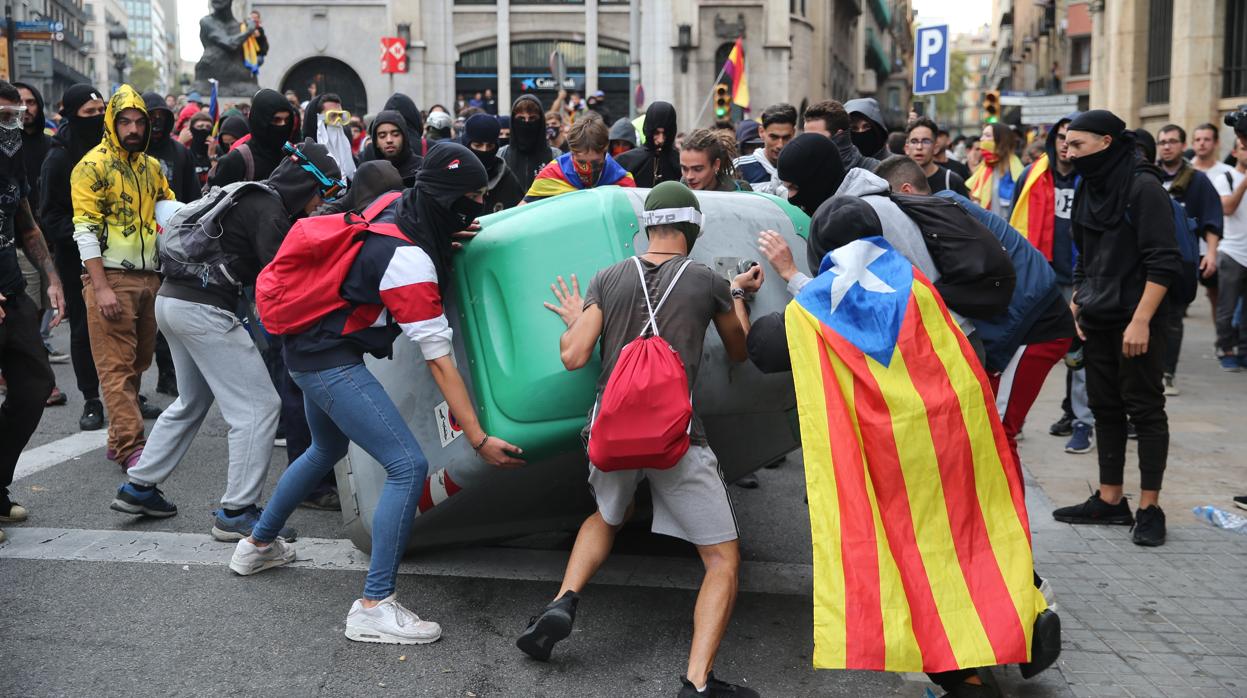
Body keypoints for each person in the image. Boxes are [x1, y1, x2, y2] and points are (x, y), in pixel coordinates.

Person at [230, 142, 524, 645]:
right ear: (445, 199)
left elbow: (397, 240)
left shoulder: (395, 204)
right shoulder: (407, 259)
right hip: (326, 361)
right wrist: (477, 438)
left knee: (327, 448)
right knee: (407, 466)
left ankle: (256, 546)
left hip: (305, 348)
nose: (475, 208)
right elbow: (439, 360)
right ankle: (373, 605)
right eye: (469, 199)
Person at [526, 181, 763, 698]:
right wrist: (741, 292)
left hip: (611, 433)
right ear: (692, 229)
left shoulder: (609, 276)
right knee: (721, 560)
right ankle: (697, 682)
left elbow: (573, 355)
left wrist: (576, 321)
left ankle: (562, 602)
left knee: (608, 516)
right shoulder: (706, 281)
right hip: (677, 439)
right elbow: (740, 350)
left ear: (648, 227)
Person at [111, 140, 343, 541]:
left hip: (172, 301)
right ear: (309, 184)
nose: (320, 204)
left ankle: (139, 487)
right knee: (258, 407)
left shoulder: (251, 194)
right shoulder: (270, 212)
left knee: (191, 401)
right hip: (204, 310)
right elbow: (281, 278)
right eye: (324, 193)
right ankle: (237, 511)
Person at [877, 156, 1076, 472]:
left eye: (889, 201)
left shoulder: (944, 214)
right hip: (1023, 327)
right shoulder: (947, 211)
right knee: (984, 431)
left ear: (904, 190)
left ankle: (1009, 522)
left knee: (996, 433)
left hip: (1035, 330)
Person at [1052, 110, 1180, 548]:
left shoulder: (1144, 187)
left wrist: (1141, 320)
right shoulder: (1090, 185)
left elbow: (1164, 260)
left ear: (1106, 142)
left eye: (1077, 145)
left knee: (1144, 409)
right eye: (1067, 145)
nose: (1068, 152)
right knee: (1105, 406)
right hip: (1098, 315)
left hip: (1138, 317)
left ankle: (1149, 507)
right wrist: (1078, 297)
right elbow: (1085, 249)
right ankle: (1110, 499)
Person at [71, 85, 178, 469]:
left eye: (139, 121)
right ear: (111, 124)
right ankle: (133, 448)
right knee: (116, 367)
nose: (133, 129)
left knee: (136, 364)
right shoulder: (91, 166)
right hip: (111, 279)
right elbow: (83, 229)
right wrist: (99, 286)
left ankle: (119, 439)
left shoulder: (151, 167)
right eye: (125, 121)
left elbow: (169, 211)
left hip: (150, 280)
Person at [1008, 115, 1098, 454]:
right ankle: (1012, 419)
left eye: (1072, 139)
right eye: (1060, 137)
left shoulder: (1090, 180)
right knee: (1021, 352)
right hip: (1038, 279)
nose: (1065, 144)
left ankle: (1082, 422)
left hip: (1079, 278)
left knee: (1078, 353)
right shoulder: (1029, 177)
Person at [0, 79, 64, 543]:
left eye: (17, 114)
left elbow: (23, 217)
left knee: (35, 383)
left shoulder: (13, 153)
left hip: (12, 290)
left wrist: (52, 276)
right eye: (4, 115)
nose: (13, 122)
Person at [39, 84, 106, 431]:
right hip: (76, 257)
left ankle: (125, 391)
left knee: (124, 325)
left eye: (101, 112)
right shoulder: (60, 158)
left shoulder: (114, 149)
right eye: (88, 114)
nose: (97, 119)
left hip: (117, 256)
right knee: (83, 329)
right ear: (72, 116)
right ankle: (92, 399)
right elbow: (49, 215)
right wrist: (89, 234)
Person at [1155, 124, 1222, 396]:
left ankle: (1167, 374)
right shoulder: (1149, 176)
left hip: (1182, 260)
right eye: (1162, 142)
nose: (1167, 146)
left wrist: (1212, 254)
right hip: (1149, 259)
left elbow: (1211, 220)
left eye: (1172, 141)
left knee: (1173, 318)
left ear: (1183, 146)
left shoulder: (1197, 180)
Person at [13, 81, 65, 405]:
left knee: (37, 316)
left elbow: (29, 213)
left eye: (30, 102)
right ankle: (34, 378)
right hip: (12, 247)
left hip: (43, 241)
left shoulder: (50, 147)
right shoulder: (6, 146)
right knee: (26, 317)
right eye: (16, 104)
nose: (24, 109)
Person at [523, 115, 635, 203]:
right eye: (581, 162)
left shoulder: (622, 181)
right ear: (572, 153)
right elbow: (522, 212)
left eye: (596, 162)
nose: (588, 169)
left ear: (605, 151)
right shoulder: (552, 174)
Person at [210, 88, 299, 186]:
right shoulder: (235, 161)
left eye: (287, 120)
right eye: (276, 120)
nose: (282, 125)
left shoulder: (292, 156)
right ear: (259, 121)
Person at [1212, 136, 1247, 370]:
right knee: (1226, 307)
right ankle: (1226, 349)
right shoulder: (1224, 178)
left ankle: (1244, 351)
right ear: (1235, 152)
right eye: (1244, 148)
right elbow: (1227, 208)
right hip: (1232, 252)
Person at [142, 92, 200, 204]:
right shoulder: (132, 152)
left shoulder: (181, 152)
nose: (157, 120)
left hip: (175, 218)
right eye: (152, 116)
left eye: (161, 115)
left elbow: (193, 196)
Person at [498, 95, 561, 194]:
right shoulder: (501, 155)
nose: (526, 123)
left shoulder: (556, 156)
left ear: (540, 122)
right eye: (521, 119)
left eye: (532, 118)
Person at [461, 113, 523, 212]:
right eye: (477, 145)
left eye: (490, 146)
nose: (484, 150)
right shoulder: (454, 175)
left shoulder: (506, 178)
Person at [732, 103, 796, 196]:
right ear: (761, 132)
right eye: (774, 137)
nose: (780, 145)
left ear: (793, 133)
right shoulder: (740, 167)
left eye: (786, 138)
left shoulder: (801, 167)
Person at [801, 99, 881, 172]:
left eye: (816, 138)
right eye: (805, 138)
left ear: (839, 137)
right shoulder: (803, 171)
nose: (809, 144)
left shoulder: (876, 171)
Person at [615, 101, 680, 187]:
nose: (660, 140)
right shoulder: (624, 161)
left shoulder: (681, 163)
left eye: (666, 134)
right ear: (649, 130)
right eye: (656, 133)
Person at [967, 123, 1024, 213]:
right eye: (982, 135)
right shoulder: (985, 167)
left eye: (987, 135)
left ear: (1001, 140)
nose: (982, 139)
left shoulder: (1013, 170)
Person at [905, 116, 969, 196]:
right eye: (914, 141)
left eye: (926, 141)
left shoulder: (951, 181)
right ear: (907, 148)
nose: (919, 147)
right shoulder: (896, 179)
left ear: (935, 148)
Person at [362, 109, 422, 187]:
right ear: (376, 142)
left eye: (395, 134)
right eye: (382, 136)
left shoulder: (421, 169)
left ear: (404, 137)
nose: (389, 140)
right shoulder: (368, 172)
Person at [679, 128, 751, 192]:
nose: (689, 176)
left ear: (716, 165)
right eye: (684, 169)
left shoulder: (741, 191)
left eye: (698, 169)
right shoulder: (676, 194)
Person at [302, 93, 355, 179]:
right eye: (332, 116)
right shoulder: (303, 159)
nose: (338, 121)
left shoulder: (350, 156)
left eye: (340, 116)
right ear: (317, 119)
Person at [844, 97, 892, 162]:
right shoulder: (838, 165)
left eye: (866, 127)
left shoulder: (894, 165)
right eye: (854, 128)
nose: (861, 132)